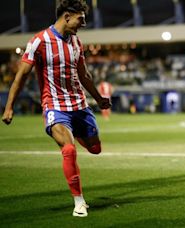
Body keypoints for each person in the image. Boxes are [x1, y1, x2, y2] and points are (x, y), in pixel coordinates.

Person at [1, 0, 111, 217]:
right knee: (69, 150)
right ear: (67, 16)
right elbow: (21, 75)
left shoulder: (76, 42)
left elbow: (84, 75)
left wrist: (99, 99)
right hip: (55, 106)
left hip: (79, 105)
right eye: (81, 19)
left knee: (95, 148)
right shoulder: (39, 41)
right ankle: (79, 202)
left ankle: (77, 132)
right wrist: (9, 107)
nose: (84, 24)